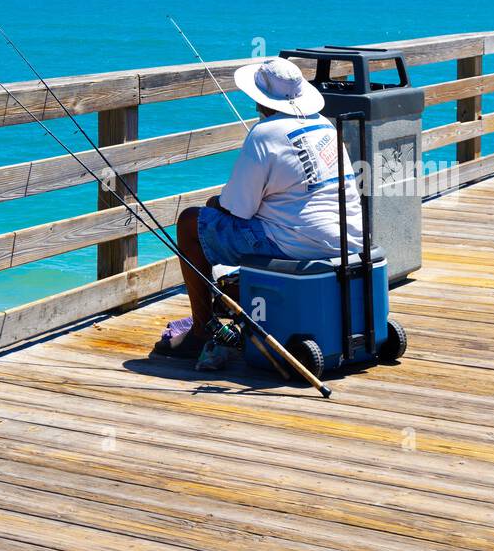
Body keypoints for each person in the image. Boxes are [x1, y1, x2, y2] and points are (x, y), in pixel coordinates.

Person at [152, 55, 363, 361]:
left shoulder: (264, 134)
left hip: (295, 244)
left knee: (190, 223)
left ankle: (200, 331)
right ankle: (227, 306)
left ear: (260, 99)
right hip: (347, 240)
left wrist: (213, 204)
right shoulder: (326, 126)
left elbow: (237, 211)